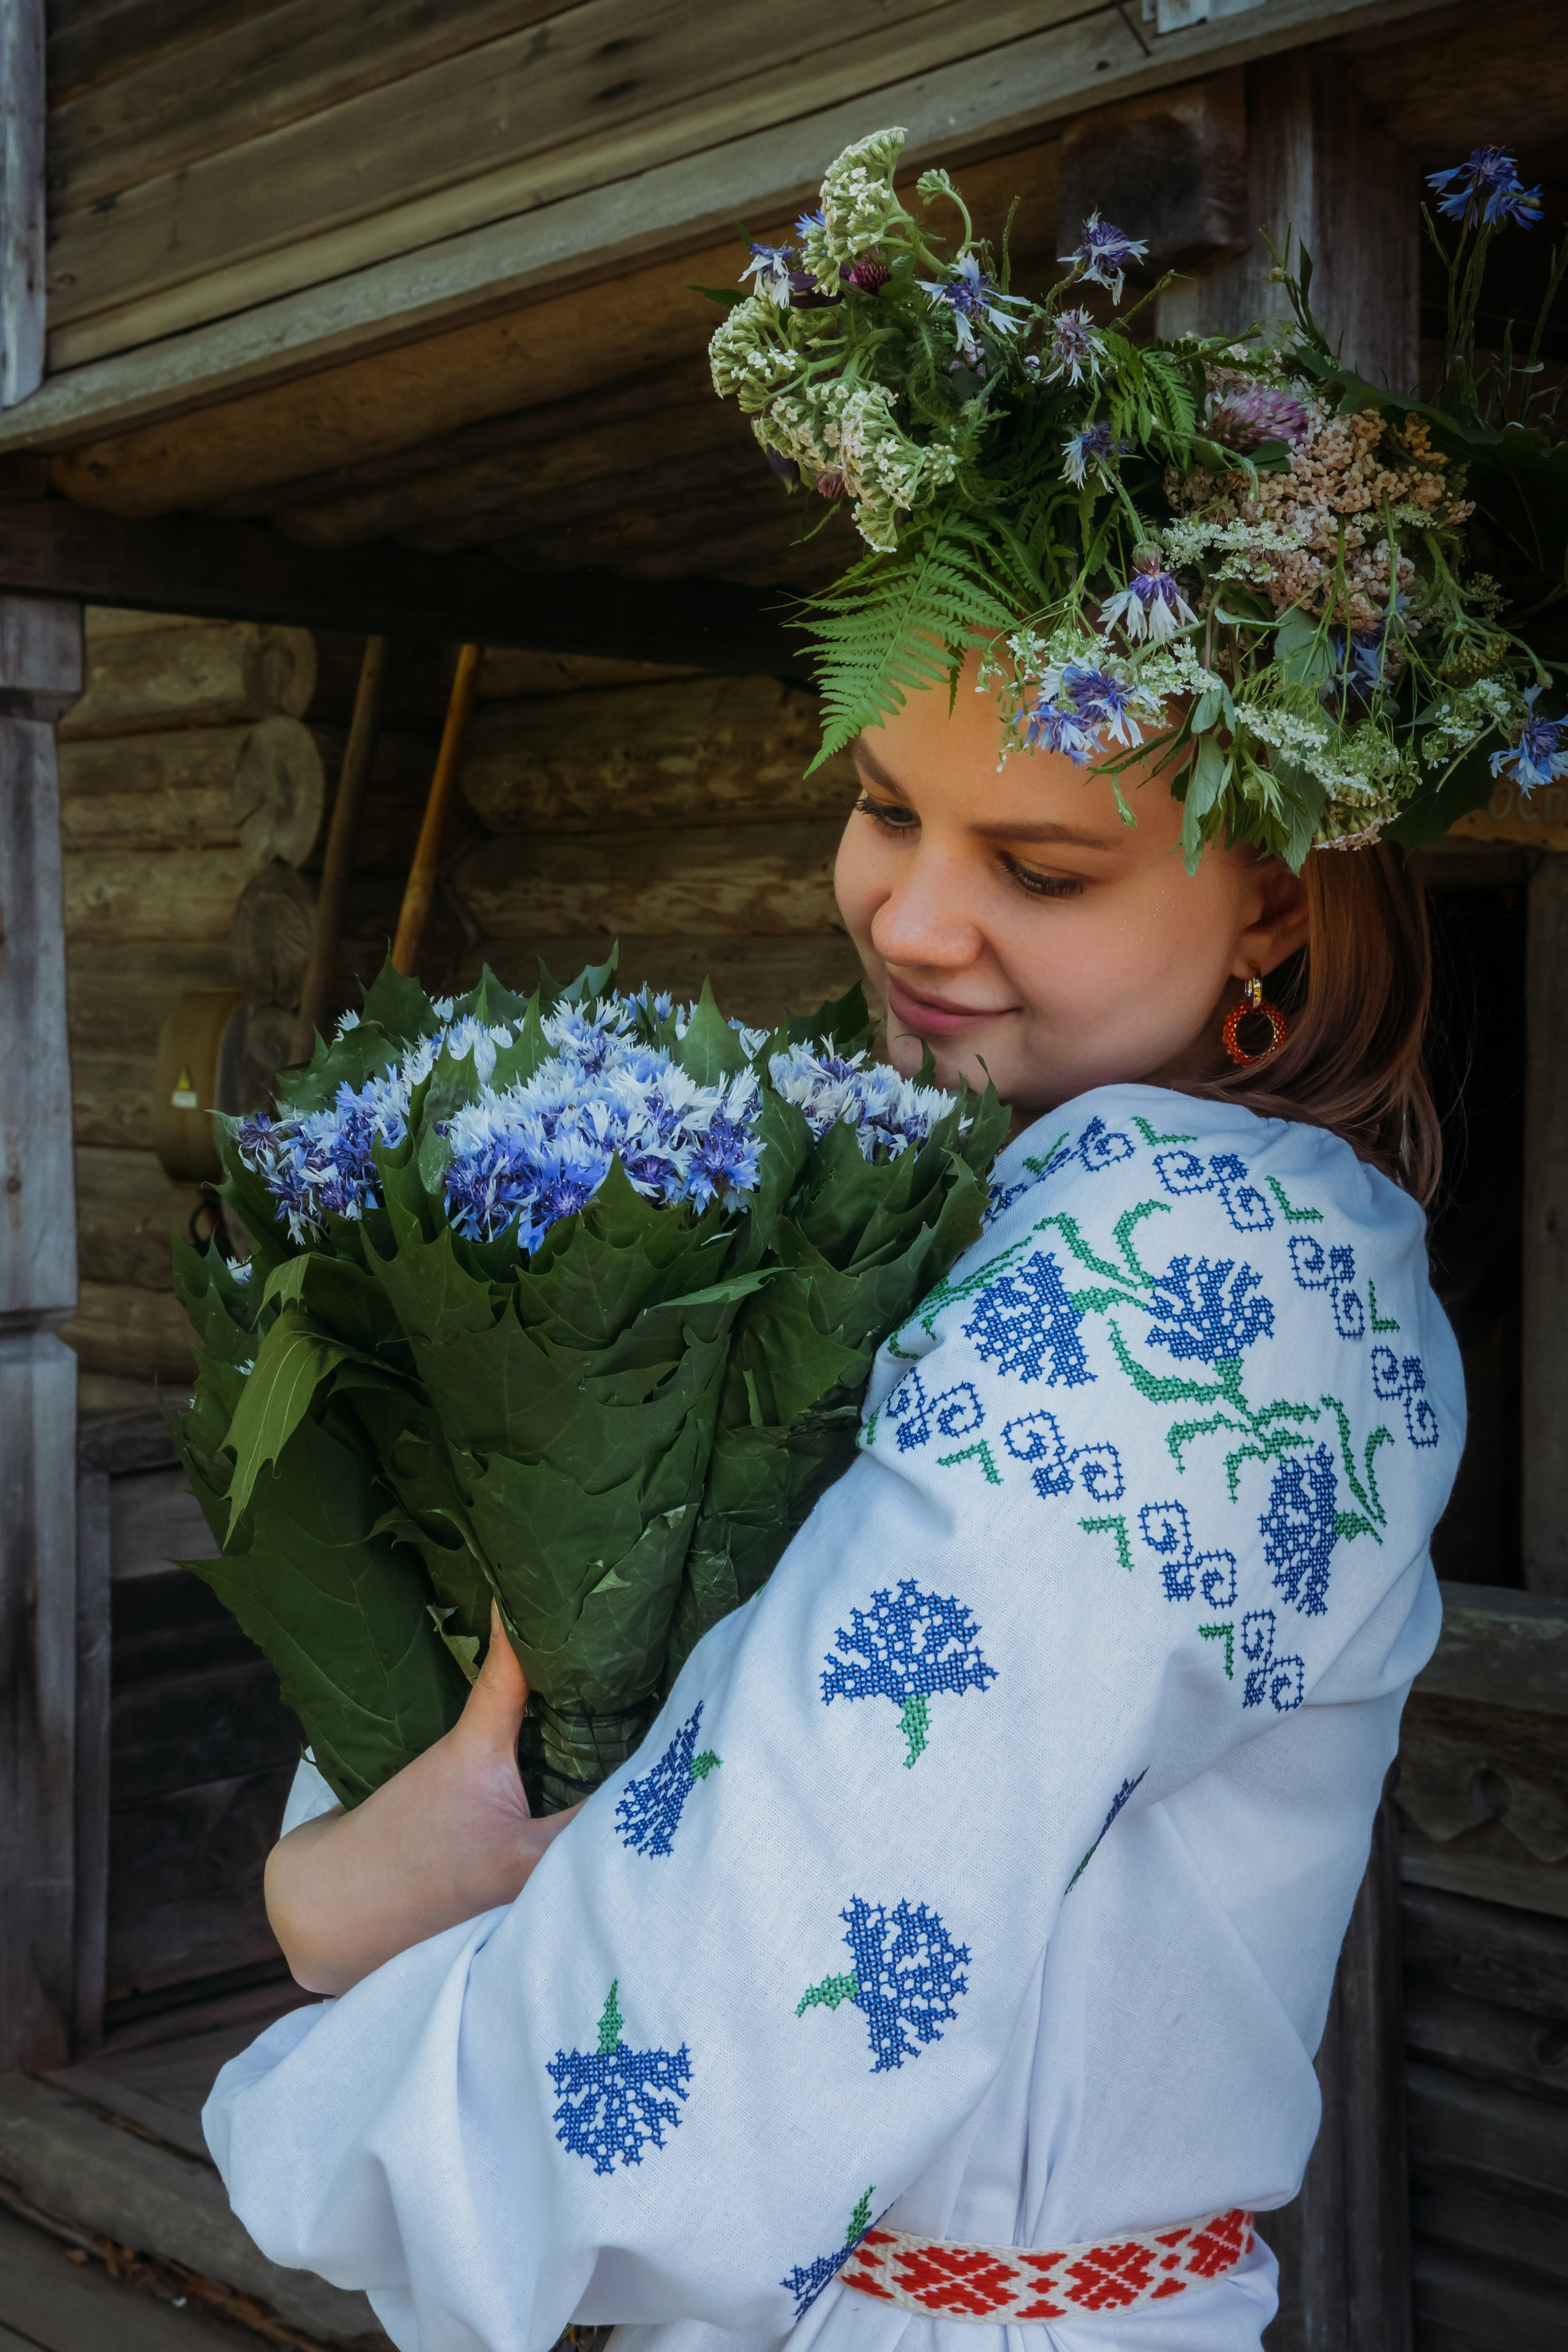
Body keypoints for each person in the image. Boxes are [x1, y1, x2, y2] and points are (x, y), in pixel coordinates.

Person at [206, 123, 1561, 2352]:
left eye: (1041, 869)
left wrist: (323, 1976)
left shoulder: (1190, 1284)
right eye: (877, 801)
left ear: (1283, 899)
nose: (911, 921)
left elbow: (718, 2043)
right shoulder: (988, 1199)